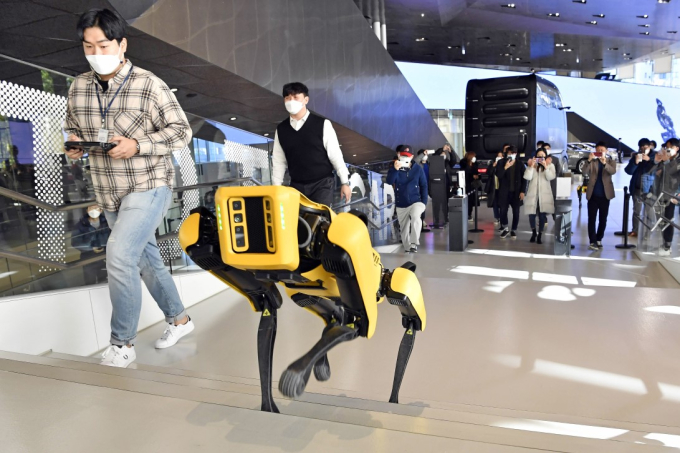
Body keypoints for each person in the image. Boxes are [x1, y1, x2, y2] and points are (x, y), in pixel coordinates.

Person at [64, 8, 194, 368]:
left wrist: (138, 145)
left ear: (122, 44)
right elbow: (74, 129)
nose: (96, 54)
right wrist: (74, 144)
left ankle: (122, 344)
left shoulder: (149, 84)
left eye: (103, 45)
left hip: (149, 184)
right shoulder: (77, 88)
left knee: (119, 254)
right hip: (108, 191)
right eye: (88, 47)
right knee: (147, 261)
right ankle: (180, 319)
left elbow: (182, 132)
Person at [272, 82, 351, 207]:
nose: (291, 101)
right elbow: (278, 161)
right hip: (296, 185)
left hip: (322, 183)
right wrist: (276, 187)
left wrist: (345, 183)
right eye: (287, 98)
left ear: (306, 100)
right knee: (299, 223)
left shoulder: (323, 124)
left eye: (295, 97)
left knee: (320, 221)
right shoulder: (281, 130)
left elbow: (335, 155)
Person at [386, 148, 428, 252]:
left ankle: (414, 243)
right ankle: (407, 247)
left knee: (415, 216)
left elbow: (424, 185)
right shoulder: (394, 168)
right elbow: (389, 181)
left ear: (412, 157)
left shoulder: (417, 169)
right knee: (403, 228)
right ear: (399, 156)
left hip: (416, 201)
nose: (405, 158)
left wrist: (424, 202)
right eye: (403, 155)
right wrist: (395, 170)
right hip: (401, 203)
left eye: (407, 156)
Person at [584, 142, 617, 250]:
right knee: (591, 219)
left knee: (603, 219)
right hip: (593, 194)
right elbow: (584, 172)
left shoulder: (611, 161)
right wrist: (588, 160)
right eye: (598, 150)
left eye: (602, 150)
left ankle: (599, 239)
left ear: (606, 151)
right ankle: (592, 241)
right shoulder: (592, 161)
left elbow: (612, 172)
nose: (600, 152)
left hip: (605, 195)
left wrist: (604, 164)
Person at [71, 204, 110, 286]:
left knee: (105, 282)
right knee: (89, 283)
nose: (93, 210)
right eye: (91, 208)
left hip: (105, 257)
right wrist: (91, 248)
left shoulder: (107, 223)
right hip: (88, 259)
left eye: (96, 208)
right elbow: (76, 243)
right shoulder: (80, 225)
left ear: (101, 210)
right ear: (87, 210)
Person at [523, 149, 556, 244]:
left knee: (542, 216)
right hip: (533, 194)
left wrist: (545, 167)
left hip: (544, 195)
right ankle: (533, 232)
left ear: (545, 156)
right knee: (531, 215)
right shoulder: (533, 166)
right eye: (539, 155)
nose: (541, 157)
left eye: (542, 155)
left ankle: (540, 235)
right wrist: (531, 166)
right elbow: (527, 177)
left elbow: (550, 177)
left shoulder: (550, 165)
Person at [654, 138, 680, 255]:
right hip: (660, 192)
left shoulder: (677, 160)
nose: (668, 150)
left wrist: (666, 161)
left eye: (670, 147)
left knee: (669, 218)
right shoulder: (664, 158)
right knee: (660, 218)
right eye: (666, 147)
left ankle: (667, 244)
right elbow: (658, 172)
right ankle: (664, 241)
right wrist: (659, 161)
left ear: (677, 148)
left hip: (672, 194)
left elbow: (672, 171)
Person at [625, 138, 654, 238]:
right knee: (636, 211)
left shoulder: (655, 156)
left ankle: (648, 232)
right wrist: (636, 162)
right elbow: (628, 171)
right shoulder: (636, 156)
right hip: (637, 188)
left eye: (645, 147)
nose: (643, 149)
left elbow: (657, 169)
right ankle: (635, 230)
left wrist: (649, 160)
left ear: (649, 147)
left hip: (650, 190)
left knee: (649, 211)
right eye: (641, 147)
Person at [496, 145, 526, 239]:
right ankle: (505, 228)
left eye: (513, 153)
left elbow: (524, 179)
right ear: (506, 154)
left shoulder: (520, 164)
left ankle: (514, 229)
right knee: (503, 211)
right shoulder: (501, 162)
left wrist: (522, 191)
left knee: (516, 212)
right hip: (504, 192)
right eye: (510, 153)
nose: (512, 155)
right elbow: (498, 175)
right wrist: (505, 167)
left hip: (516, 192)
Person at [485, 147, 507, 225]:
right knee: (495, 203)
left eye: (501, 156)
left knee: (502, 203)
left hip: (502, 187)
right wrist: (493, 166)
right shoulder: (492, 164)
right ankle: (497, 217)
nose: (499, 158)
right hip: (494, 186)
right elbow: (488, 173)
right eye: (498, 156)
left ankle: (502, 217)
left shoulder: (505, 165)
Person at [428, 148, 449, 228]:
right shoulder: (434, 163)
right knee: (436, 204)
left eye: (445, 154)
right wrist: (442, 149)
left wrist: (450, 152)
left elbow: (453, 160)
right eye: (442, 154)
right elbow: (435, 155)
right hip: (436, 186)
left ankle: (445, 218)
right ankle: (436, 219)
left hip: (445, 185)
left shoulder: (446, 163)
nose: (444, 155)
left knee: (445, 203)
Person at [459, 151, 480, 221]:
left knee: (471, 200)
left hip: (472, 184)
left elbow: (476, 172)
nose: (475, 158)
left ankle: (469, 214)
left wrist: (477, 176)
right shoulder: (463, 163)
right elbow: (463, 172)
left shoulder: (475, 164)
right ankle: (464, 213)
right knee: (464, 199)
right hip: (465, 183)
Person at [416, 149, 431, 233]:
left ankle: (421, 222)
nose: (425, 155)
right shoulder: (417, 165)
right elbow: (416, 161)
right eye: (424, 154)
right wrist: (422, 154)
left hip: (425, 188)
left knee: (423, 206)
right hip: (418, 188)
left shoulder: (428, 165)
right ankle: (419, 224)